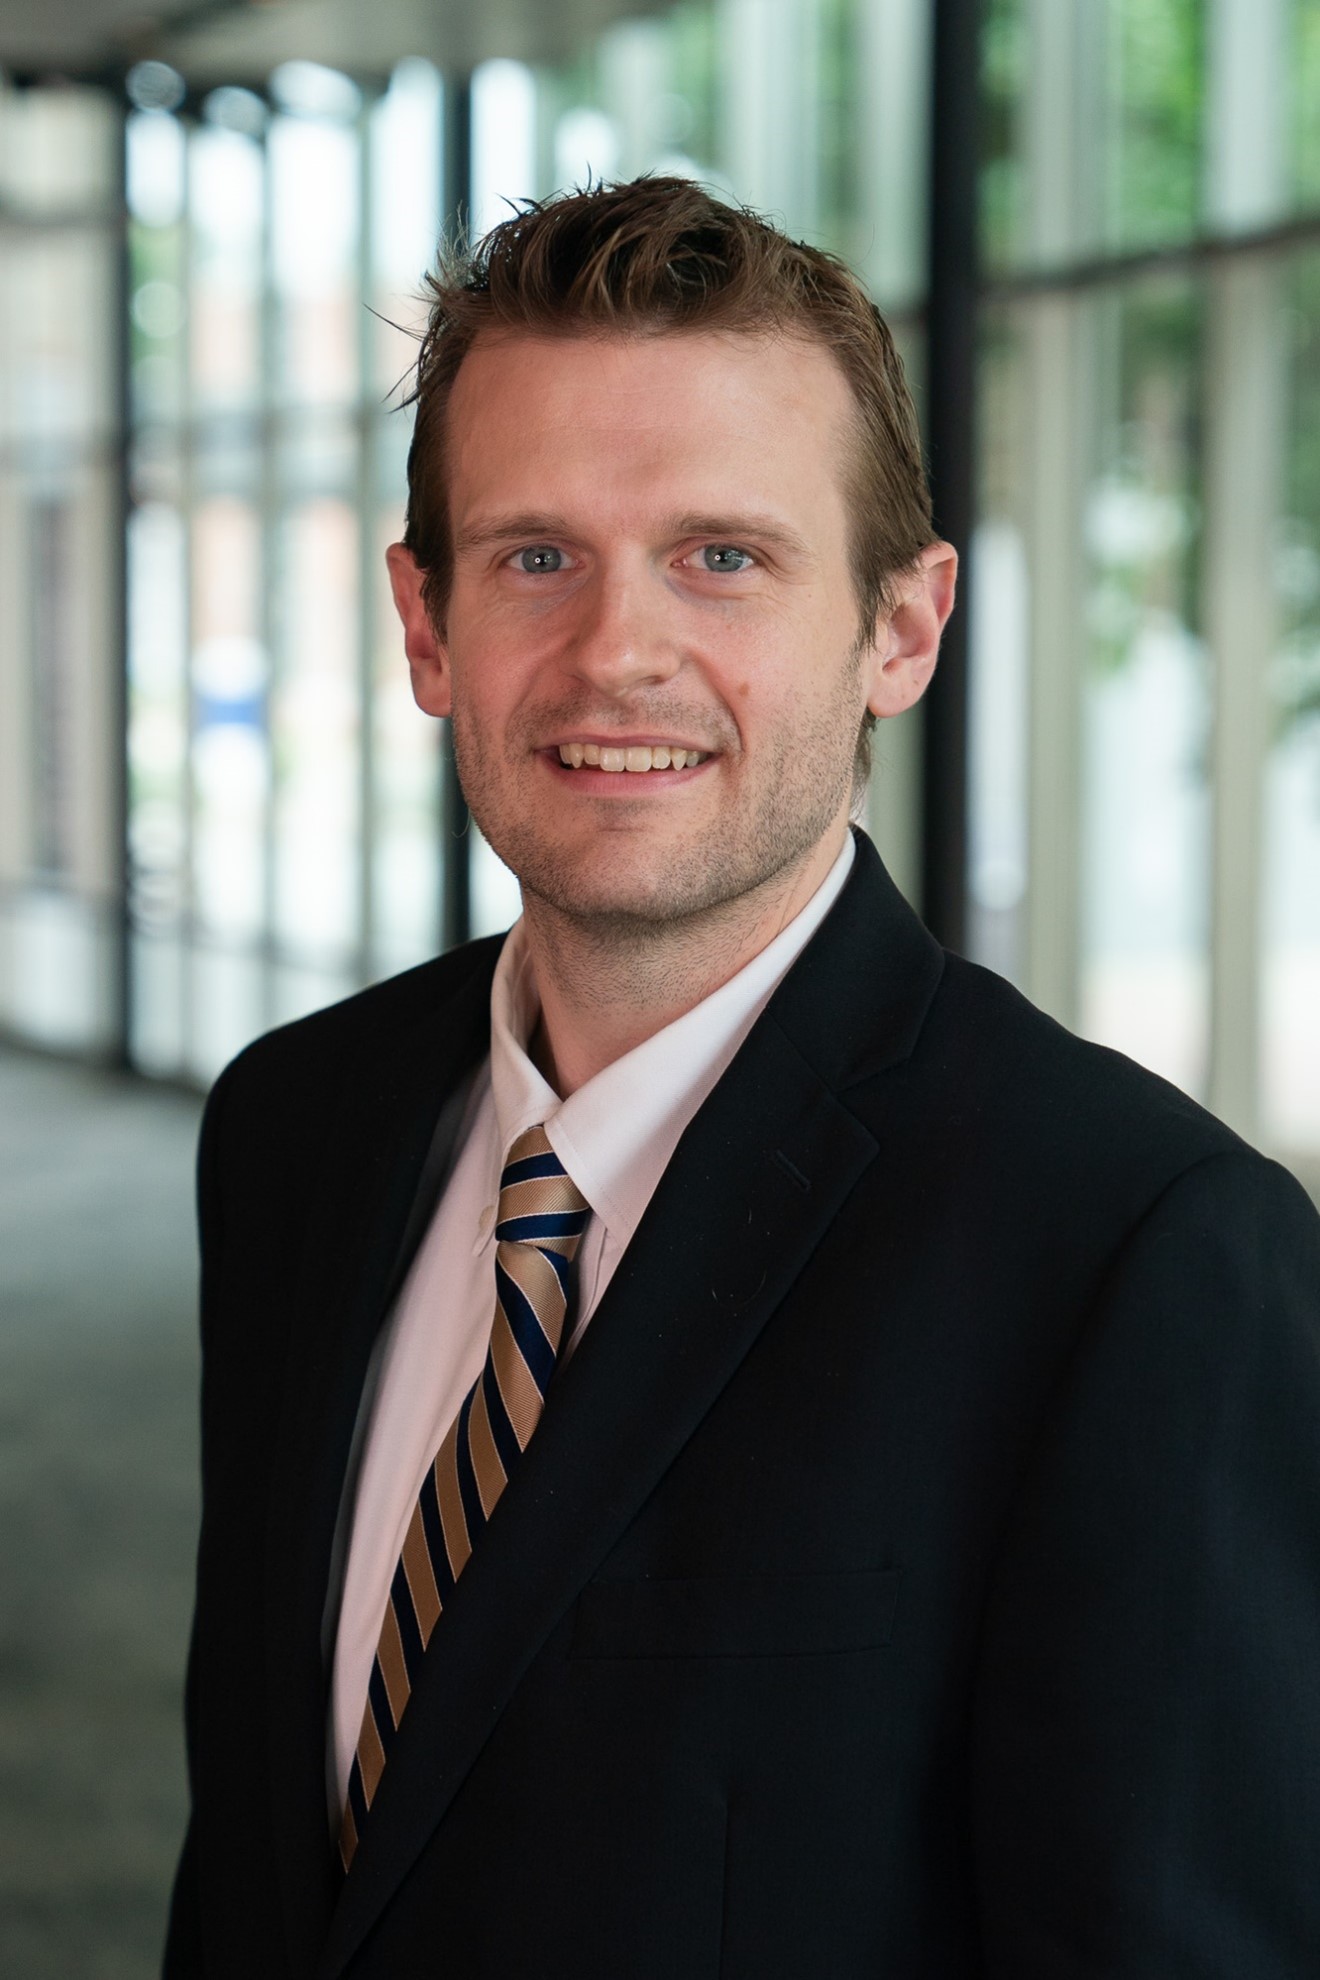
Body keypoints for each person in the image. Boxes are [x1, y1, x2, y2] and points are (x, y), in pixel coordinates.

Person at [163, 178, 1320, 1979]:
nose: (618, 650)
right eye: (537, 554)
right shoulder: (294, 1126)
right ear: (424, 622)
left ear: (902, 631)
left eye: (724, 555)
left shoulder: (1138, 1257)